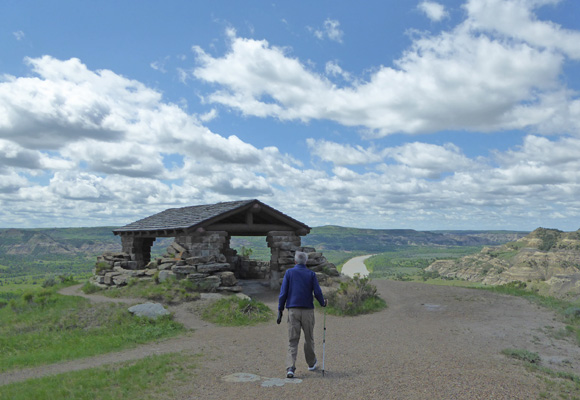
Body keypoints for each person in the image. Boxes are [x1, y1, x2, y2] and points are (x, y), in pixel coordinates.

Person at [277, 250, 327, 378]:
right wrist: (322, 303)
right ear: (306, 262)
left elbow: (283, 294)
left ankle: (290, 367)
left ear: (295, 261)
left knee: (293, 340)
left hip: (293, 310)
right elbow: (317, 292)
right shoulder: (311, 274)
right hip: (308, 311)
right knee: (308, 338)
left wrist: (280, 310)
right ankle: (311, 363)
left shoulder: (289, 273)